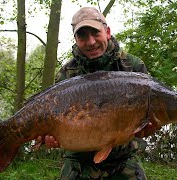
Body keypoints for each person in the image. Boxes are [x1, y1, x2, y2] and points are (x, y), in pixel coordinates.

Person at [41, 7, 161, 180]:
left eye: (95, 33)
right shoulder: (67, 72)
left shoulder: (132, 66)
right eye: (82, 36)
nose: (90, 42)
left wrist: (147, 129)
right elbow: (57, 121)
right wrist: (50, 137)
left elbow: (148, 119)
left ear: (107, 31)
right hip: (79, 161)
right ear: (75, 39)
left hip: (123, 159)